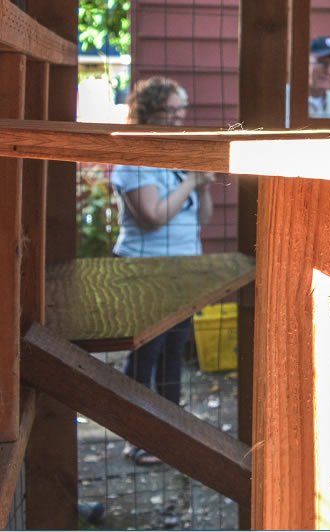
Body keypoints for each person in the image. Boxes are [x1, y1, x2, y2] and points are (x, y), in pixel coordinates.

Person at [109, 77, 216, 466]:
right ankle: (137, 438)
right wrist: (190, 179)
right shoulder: (134, 158)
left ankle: (170, 431)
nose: (177, 118)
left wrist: (201, 186)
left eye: (180, 111)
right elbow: (153, 217)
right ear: (147, 113)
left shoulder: (176, 156)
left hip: (182, 269)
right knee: (145, 355)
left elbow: (202, 217)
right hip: (145, 270)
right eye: (169, 111)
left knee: (174, 352)